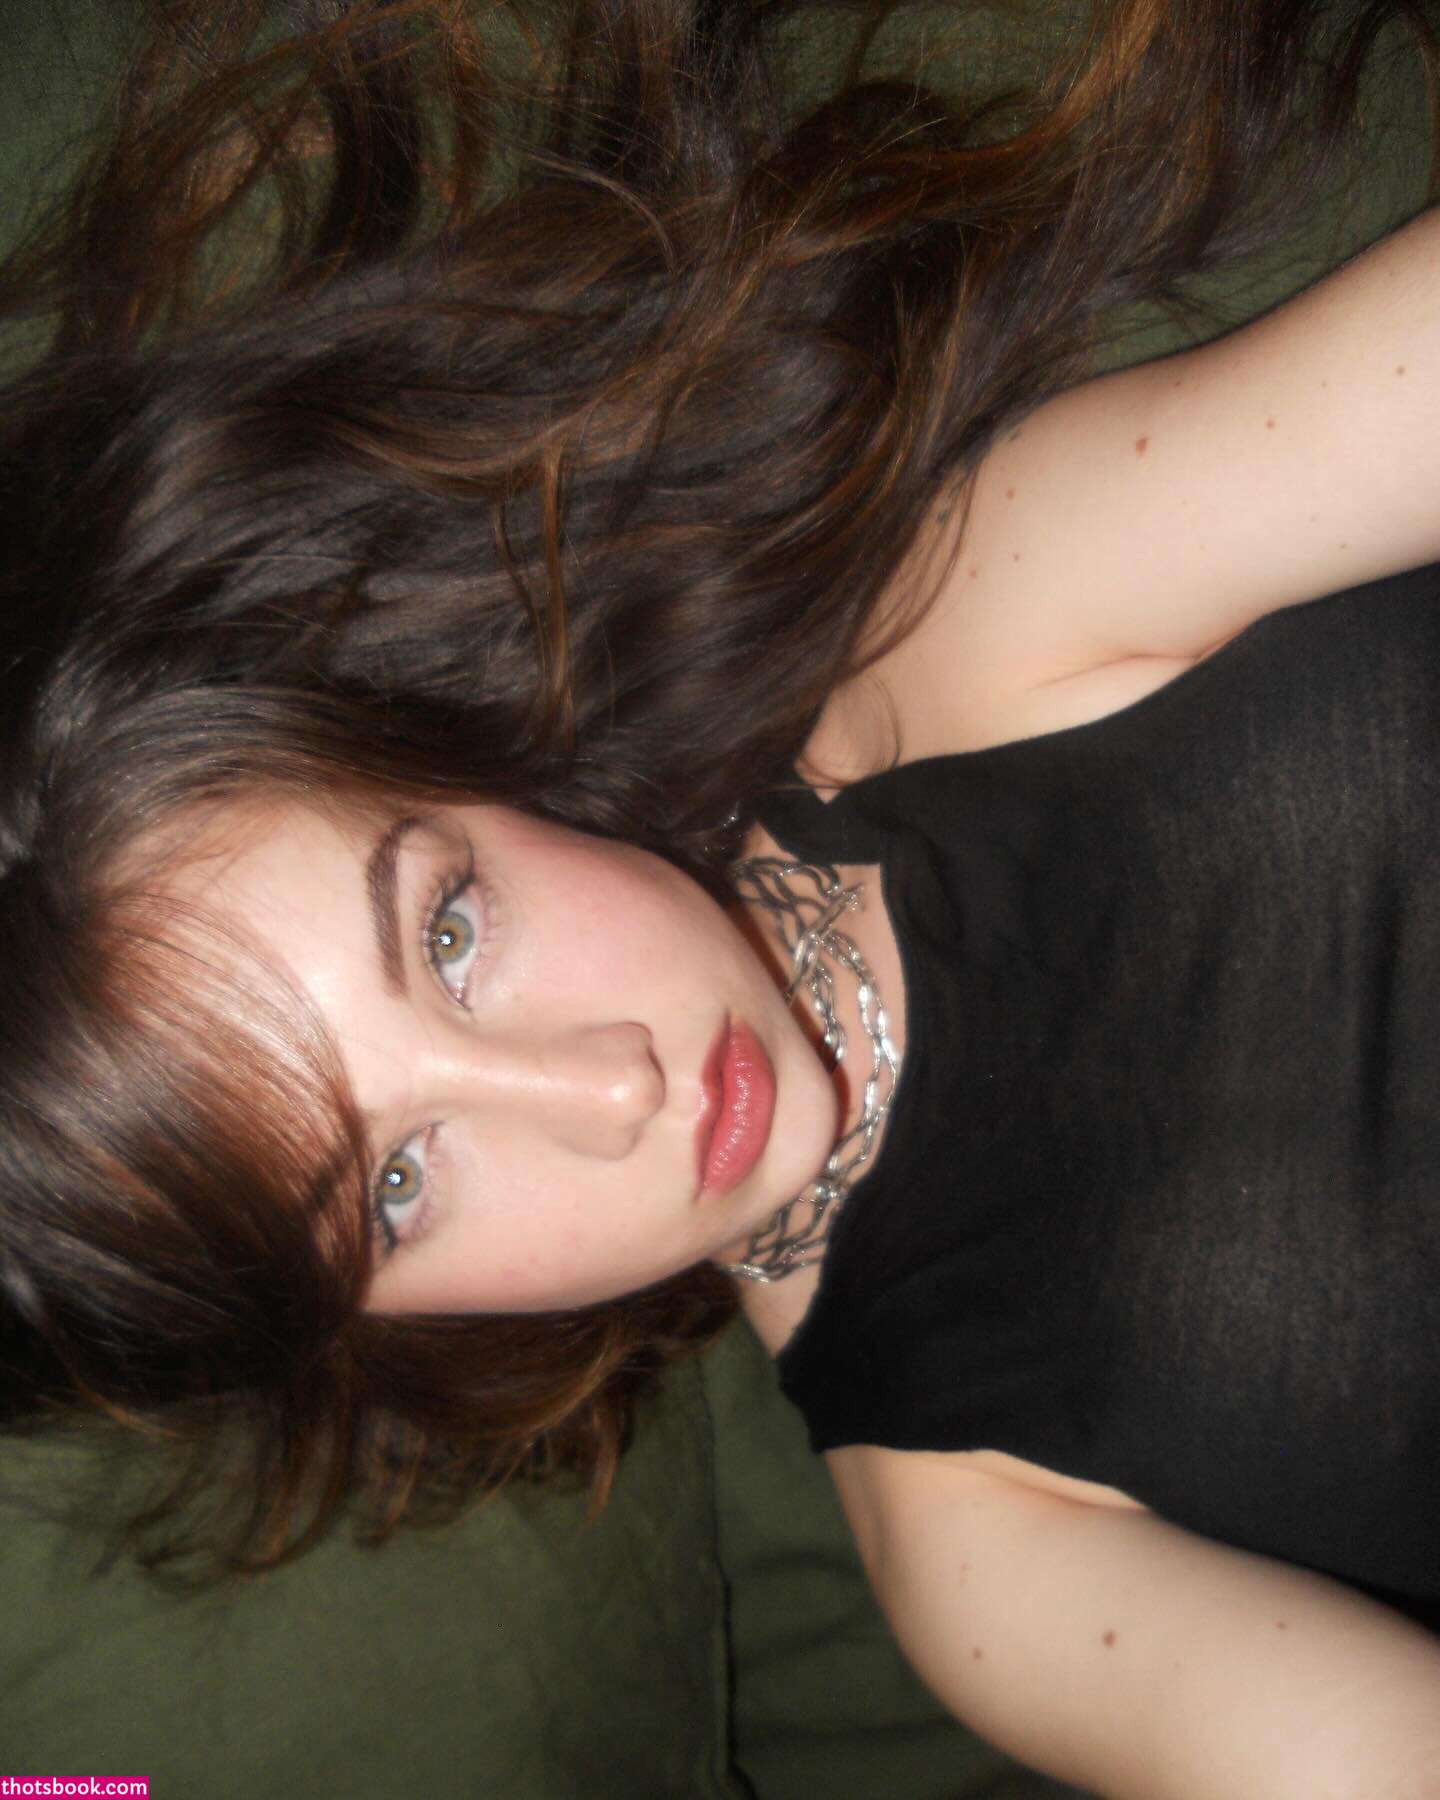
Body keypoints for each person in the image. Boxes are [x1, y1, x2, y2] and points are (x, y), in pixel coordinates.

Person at [3, 0, 1440, 1791]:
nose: (606, 1090)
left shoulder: (961, 638)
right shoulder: (997, 1553)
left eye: (450, 932)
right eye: (398, 1187)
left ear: (443, 765)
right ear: (381, 1330)